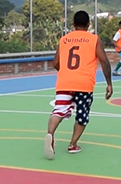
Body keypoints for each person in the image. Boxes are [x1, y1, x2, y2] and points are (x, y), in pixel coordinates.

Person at [44, 10, 113, 160]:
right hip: (84, 84)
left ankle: (50, 134)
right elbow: (105, 61)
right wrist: (109, 84)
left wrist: (65, 73)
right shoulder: (93, 39)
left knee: (58, 111)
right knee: (82, 115)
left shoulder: (64, 39)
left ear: (73, 24)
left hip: (64, 82)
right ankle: (73, 144)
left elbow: (55, 62)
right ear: (88, 24)